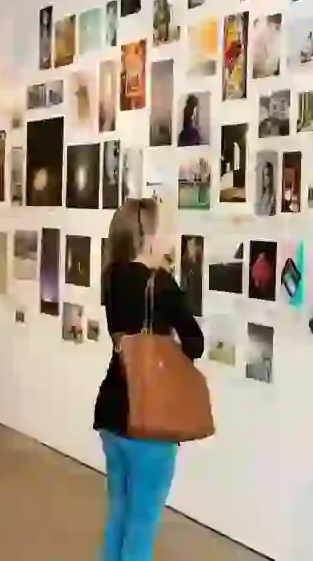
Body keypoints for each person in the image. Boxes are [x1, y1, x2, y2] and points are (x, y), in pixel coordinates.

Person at [96, 197, 204, 561]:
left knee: (119, 517)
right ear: (150, 236)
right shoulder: (161, 284)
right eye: (167, 228)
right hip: (149, 418)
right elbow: (195, 343)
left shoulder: (111, 277)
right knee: (142, 526)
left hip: (112, 411)